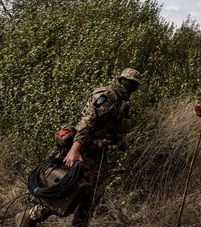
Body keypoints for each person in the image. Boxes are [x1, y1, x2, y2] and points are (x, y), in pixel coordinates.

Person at [16, 68, 141, 227]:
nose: (129, 87)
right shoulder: (105, 96)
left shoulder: (122, 103)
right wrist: (75, 149)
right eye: (127, 82)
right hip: (85, 150)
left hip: (99, 155)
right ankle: (29, 218)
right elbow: (86, 122)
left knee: (93, 194)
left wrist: (120, 141)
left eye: (133, 85)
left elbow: (118, 128)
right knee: (68, 190)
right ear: (120, 80)